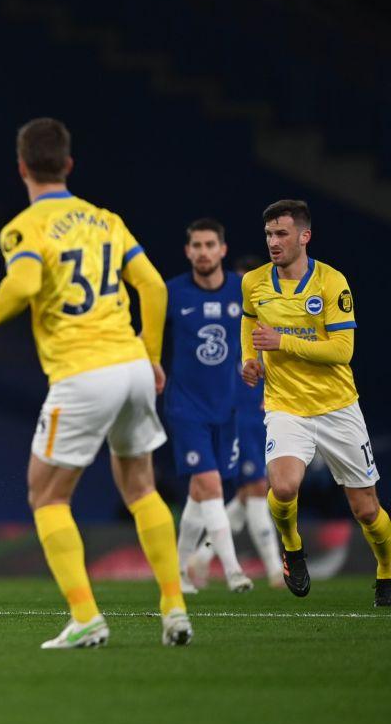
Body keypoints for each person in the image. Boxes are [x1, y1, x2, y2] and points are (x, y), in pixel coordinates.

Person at [0, 118, 191, 647]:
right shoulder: (107, 220)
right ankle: (174, 607)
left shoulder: (23, 228)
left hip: (83, 373)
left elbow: (25, 282)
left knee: (47, 496)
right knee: (142, 488)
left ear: (21, 168)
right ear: (69, 165)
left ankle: (86, 616)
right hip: (130, 365)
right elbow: (153, 285)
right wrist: (151, 357)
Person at [240, 199, 389, 606]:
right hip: (286, 406)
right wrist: (250, 360)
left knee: (366, 511)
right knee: (284, 486)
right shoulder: (254, 281)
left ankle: (386, 570)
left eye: (282, 234)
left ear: (304, 236)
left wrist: (282, 342)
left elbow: (343, 350)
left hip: (338, 406)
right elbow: (250, 320)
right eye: (269, 234)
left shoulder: (331, 282)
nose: (274, 241)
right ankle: (292, 547)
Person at [164, 219, 253, 594]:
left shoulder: (242, 290)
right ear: (188, 251)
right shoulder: (171, 293)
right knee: (211, 484)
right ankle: (233, 571)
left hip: (227, 408)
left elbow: (260, 333)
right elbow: (144, 336)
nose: (202, 251)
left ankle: (178, 574)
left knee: (199, 494)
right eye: (196, 245)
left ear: (222, 249)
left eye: (209, 244)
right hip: (186, 407)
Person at [185, 254, 283, 588]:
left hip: (261, 412)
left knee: (250, 492)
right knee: (255, 489)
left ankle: (202, 556)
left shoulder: (266, 320)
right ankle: (274, 570)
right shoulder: (225, 325)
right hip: (237, 417)